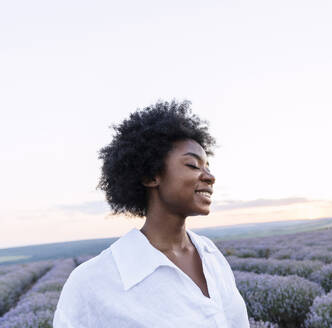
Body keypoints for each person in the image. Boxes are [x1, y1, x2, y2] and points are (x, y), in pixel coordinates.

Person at [53, 100, 250, 327]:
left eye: (208, 166)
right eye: (193, 165)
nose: (209, 176)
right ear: (150, 177)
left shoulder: (210, 254)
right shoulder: (92, 282)